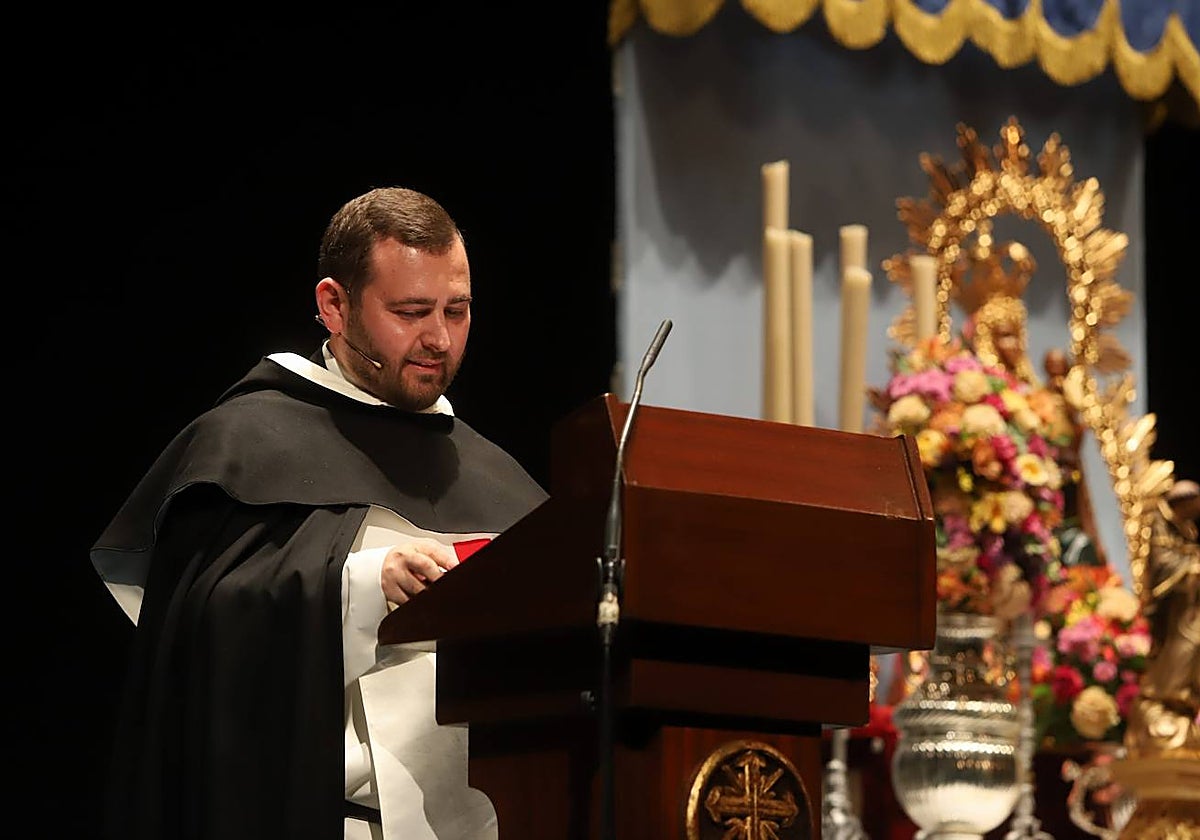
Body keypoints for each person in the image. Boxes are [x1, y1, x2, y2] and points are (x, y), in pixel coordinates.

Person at [91, 186, 550, 839]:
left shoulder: (493, 474)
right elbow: (193, 633)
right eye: (411, 311)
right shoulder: (249, 441)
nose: (439, 338)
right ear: (334, 306)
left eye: (458, 309)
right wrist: (362, 584)